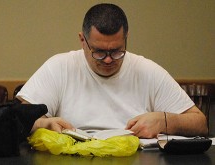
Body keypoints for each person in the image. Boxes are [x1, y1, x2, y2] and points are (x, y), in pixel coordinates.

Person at [16, 3, 208, 138]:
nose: (108, 60)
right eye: (99, 52)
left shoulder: (147, 70)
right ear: (83, 40)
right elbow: (17, 118)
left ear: (126, 38)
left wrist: (166, 121)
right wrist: (43, 123)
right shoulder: (60, 67)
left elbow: (200, 123)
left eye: (116, 51)